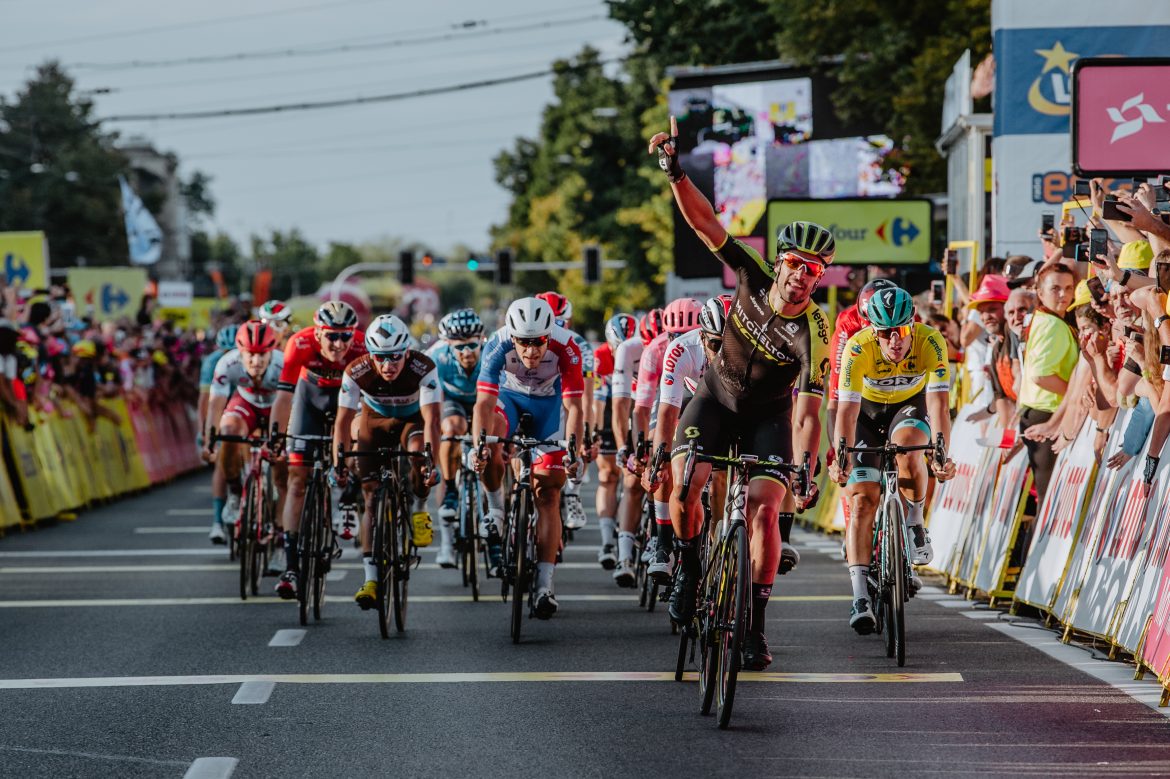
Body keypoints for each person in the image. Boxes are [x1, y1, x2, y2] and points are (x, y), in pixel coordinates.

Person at [649, 120, 825, 671]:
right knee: (688, 483)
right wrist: (676, 172)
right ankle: (690, 568)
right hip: (716, 401)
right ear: (781, 263)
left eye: (813, 272)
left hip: (769, 417)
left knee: (766, 512)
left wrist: (805, 466)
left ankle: (755, 627)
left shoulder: (814, 331)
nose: (801, 278)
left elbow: (810, 410)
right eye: (796, 265)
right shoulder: (750, 273)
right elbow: (706, 224)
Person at [829, 285, 957, 633]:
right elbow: (845, 411)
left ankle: (915, 523)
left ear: (912, 325)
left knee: (910, 447)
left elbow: (939, 406)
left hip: (907, 407)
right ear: (872, 330)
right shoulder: (858, 348)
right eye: (884, 333)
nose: (894, 341)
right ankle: (859, 596)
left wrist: (941, 452)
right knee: (862, 500)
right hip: (866, 416)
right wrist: (841, 453)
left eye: (900, 331)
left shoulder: (930, 341)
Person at [472, 297, 589, 619]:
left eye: (538, 342)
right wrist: (478, 445)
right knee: (491, 439)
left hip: (549, 409)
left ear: (549, 335)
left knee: (549, 493)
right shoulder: (495, 344)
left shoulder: (568, 347)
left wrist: (574, 450)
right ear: (512, 337)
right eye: (523, 342)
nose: (531, 350)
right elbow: (483, 402)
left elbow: (576, 407)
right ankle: (495, 508)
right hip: (509, 401)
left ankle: (544, 586)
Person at [334, 314, 441, 609]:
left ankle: (419, 507)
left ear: (407, 351)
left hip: (412, 420)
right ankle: (370, 579)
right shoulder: (356, 371)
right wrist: (339, 463)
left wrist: (431, 463)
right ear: (371, 355)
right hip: (375, 420)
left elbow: (433, 420)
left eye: (395, 356)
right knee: (370, 496)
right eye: (380, 357)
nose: (388, 364)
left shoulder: (424, 367)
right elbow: (342, 423)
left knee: (419, 451)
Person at [270, 301, 367, 600]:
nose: (338, 344)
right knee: (297, 480)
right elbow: (284, 397)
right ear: (317, 334)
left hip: (348, 401)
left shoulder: (363, 347)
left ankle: (350, 497)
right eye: (331, 336)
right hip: (309, 400)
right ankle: (290, 567)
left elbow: (370, 402)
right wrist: (276, 435)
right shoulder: (298, 343)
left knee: (358, 442)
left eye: (344, 336)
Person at [643, 295, 730, 580]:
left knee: (721, 474)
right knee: (667, 454)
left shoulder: (747, 351)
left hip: (729, 405)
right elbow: (666, 412)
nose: (722, 354)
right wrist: (658, 461)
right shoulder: (681, 348)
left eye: (728, 345)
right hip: (690, 400)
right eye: (715, 345)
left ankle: (720, 540)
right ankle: (663, 542)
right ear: (702, 336)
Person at [632, 297, 702, 582]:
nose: (680, 339)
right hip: (670, 399)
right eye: (674, 335)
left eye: (687, 333)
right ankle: (662, 541)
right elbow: (643, 407)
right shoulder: (657, 350)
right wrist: (642, 449)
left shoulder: (713, 342)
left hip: (703, 398)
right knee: (661, 450)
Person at [203, 321, 286, 547]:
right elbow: (215, 405)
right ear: (240, 351)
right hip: (246, 403)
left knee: (284, 465)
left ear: (272, 351)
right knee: (228, 432)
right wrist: (210, 439)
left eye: (262, 355)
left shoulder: (284, 365)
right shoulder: (227, 363)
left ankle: (279, 533)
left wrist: (282, 440)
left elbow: (292, 407)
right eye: (250, 354)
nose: (256, 361)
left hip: (277, 405)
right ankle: (234, 491)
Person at [1016, 263, 1078, 507]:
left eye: (1069, 288)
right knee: (1049, 500)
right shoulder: (1053, 324)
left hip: (1040, 412)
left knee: (1048, 498)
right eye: (1055, 289)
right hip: (1046, 414)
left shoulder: (1047, 319)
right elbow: (1041, 376)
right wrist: (1074, 395)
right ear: (1040, 293)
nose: (1063, 294)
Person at [427, 308, 485, 567]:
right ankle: (447, 542)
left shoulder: (493, 353)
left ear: (482, 339)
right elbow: (429, 403)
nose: (467, 352)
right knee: (452, 427)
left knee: (494, 445)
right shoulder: (435, 357)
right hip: (453, 402)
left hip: (484, 401)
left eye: (473, 345)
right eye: (459, 347)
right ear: (447, 344)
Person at [610, 309, 663, 587]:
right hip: (637, 405)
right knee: (632, 481)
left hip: (664, 403)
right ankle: (624, 555)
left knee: (664, 468)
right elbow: (620, 406)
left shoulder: (672, 346)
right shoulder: (629, 349)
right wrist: (623, 447)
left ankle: (659, 537)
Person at [535, 291, 594, 532]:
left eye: (560, 323)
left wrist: (589, 431)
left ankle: (573, 493)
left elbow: (587, 396)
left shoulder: (578, 344)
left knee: (579, 438)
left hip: (566, 400)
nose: (556, 329)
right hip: (536, 399)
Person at [594, 313, 638, 569]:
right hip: (610, 409)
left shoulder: (643, 349)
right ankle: (607, 542)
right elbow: (597, 403)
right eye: (616, 348)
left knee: (635, 479)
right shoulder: (600, 356)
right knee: (609, 474)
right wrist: (598, 432)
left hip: (637, 407)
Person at [199, 324, 239, 529]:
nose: (231, 356)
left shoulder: (256, 358)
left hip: (246, 407)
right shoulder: (213, 362)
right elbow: (207, 402)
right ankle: (217, 521)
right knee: (222, 465)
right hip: (224, 409)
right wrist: (205, 434)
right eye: (226, 352)